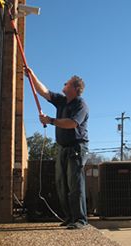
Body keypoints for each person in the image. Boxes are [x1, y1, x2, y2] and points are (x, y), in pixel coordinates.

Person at [24, 67, 89, 229]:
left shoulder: (81, 104)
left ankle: (80, 220)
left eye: (67, 83)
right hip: (62, 148)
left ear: (74, 88)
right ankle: (70, 217)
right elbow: (44, 92)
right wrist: (32, 75)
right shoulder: (61, 100)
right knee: (61, 184)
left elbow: (72, 123)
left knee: (75, 184)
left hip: (77, 148)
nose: (64, 84)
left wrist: (50, 120)